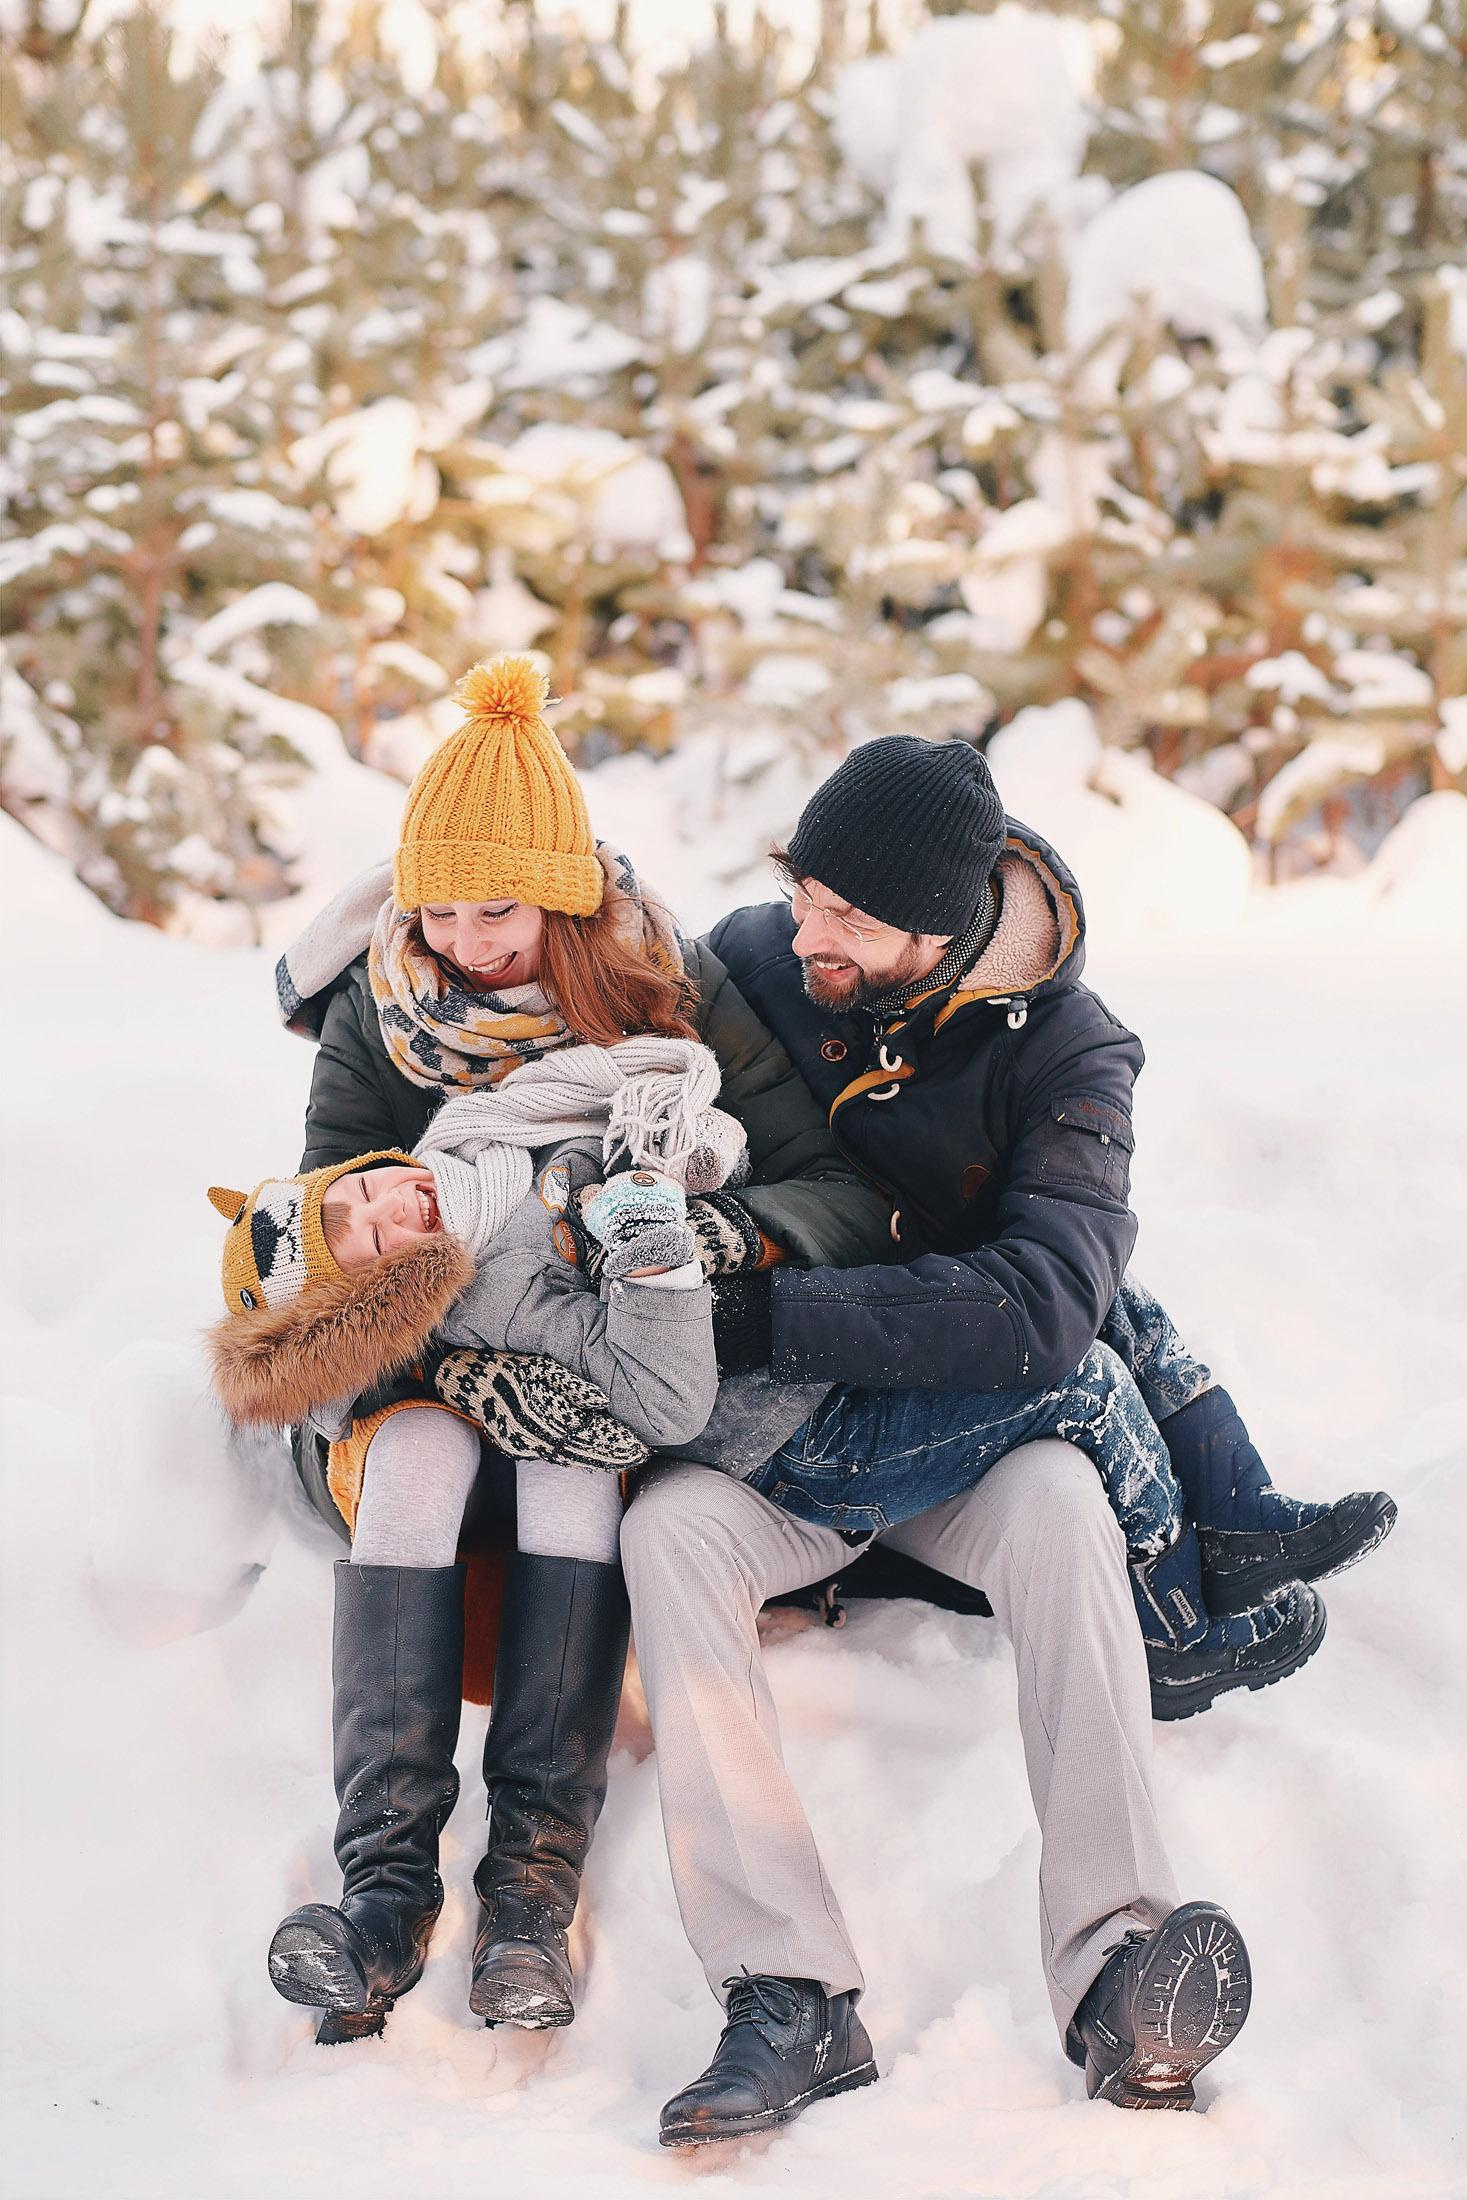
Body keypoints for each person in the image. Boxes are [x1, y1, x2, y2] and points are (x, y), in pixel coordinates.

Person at [612, 735, 1396, 2140]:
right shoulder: (751, 957)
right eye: (801, 893)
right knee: (667, 1528)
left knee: (1054, 1491)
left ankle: (1115, 1970)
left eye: (845, 920)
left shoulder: (1072, 1054)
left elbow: (1044, 1314)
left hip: (963, 1440)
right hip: (778, 1459)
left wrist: (770, 1315)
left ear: (936, 925)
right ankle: (787, 1993)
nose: (804, 936)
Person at [247, 655, 893, 2042]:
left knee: (565, 1462)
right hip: (423, 1377)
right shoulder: (381, 1008)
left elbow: (832, 1196)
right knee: (420, 1452)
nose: (471, 942)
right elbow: (333, 1229)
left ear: (571, 896)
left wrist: (689, 1243)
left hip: (608, 1368)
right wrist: (437, 1338)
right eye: (441, 906)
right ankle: (382, 1896)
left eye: (504, 909)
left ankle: (532, 1890)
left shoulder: (667, 994)